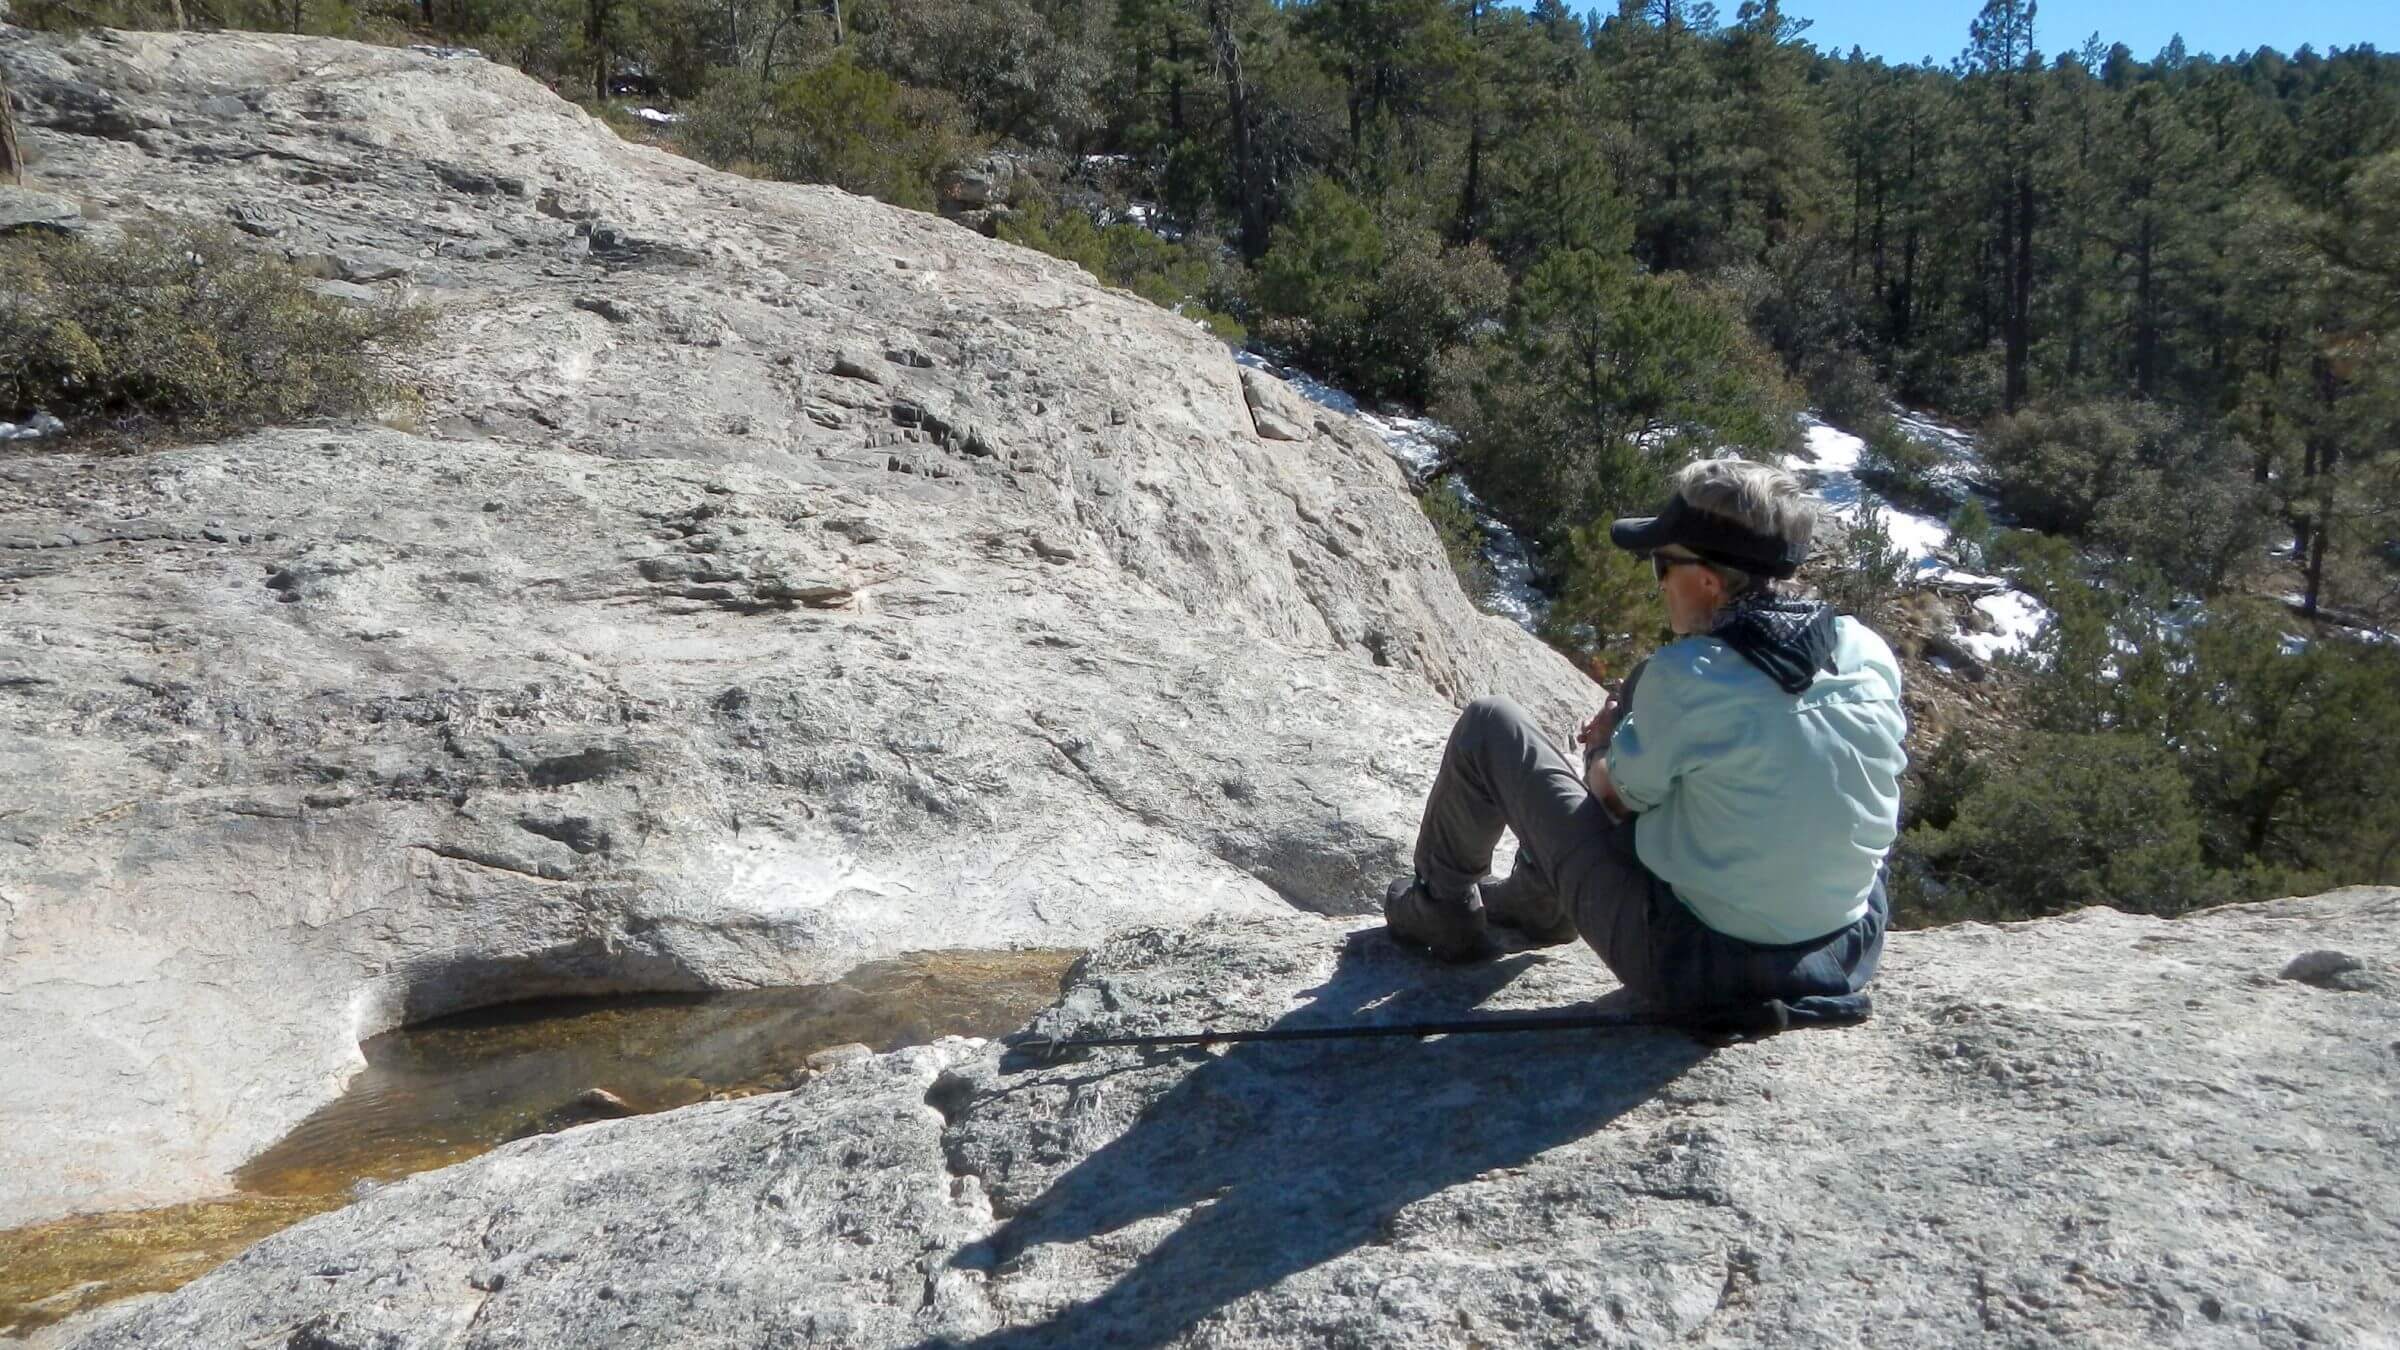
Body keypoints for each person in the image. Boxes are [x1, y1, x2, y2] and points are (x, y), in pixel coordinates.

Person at [1384, 457, 1907, 1033]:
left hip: (1699, 970)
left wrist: (1605, 743)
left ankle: (1442, 908)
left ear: (1706, 581)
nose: (1656, 581)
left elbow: (1610, 801)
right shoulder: (1863, 647)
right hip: (1846, 951)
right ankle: (1533, 903)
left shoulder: (1689, 675)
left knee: (1491, 724)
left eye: (1663, 564)